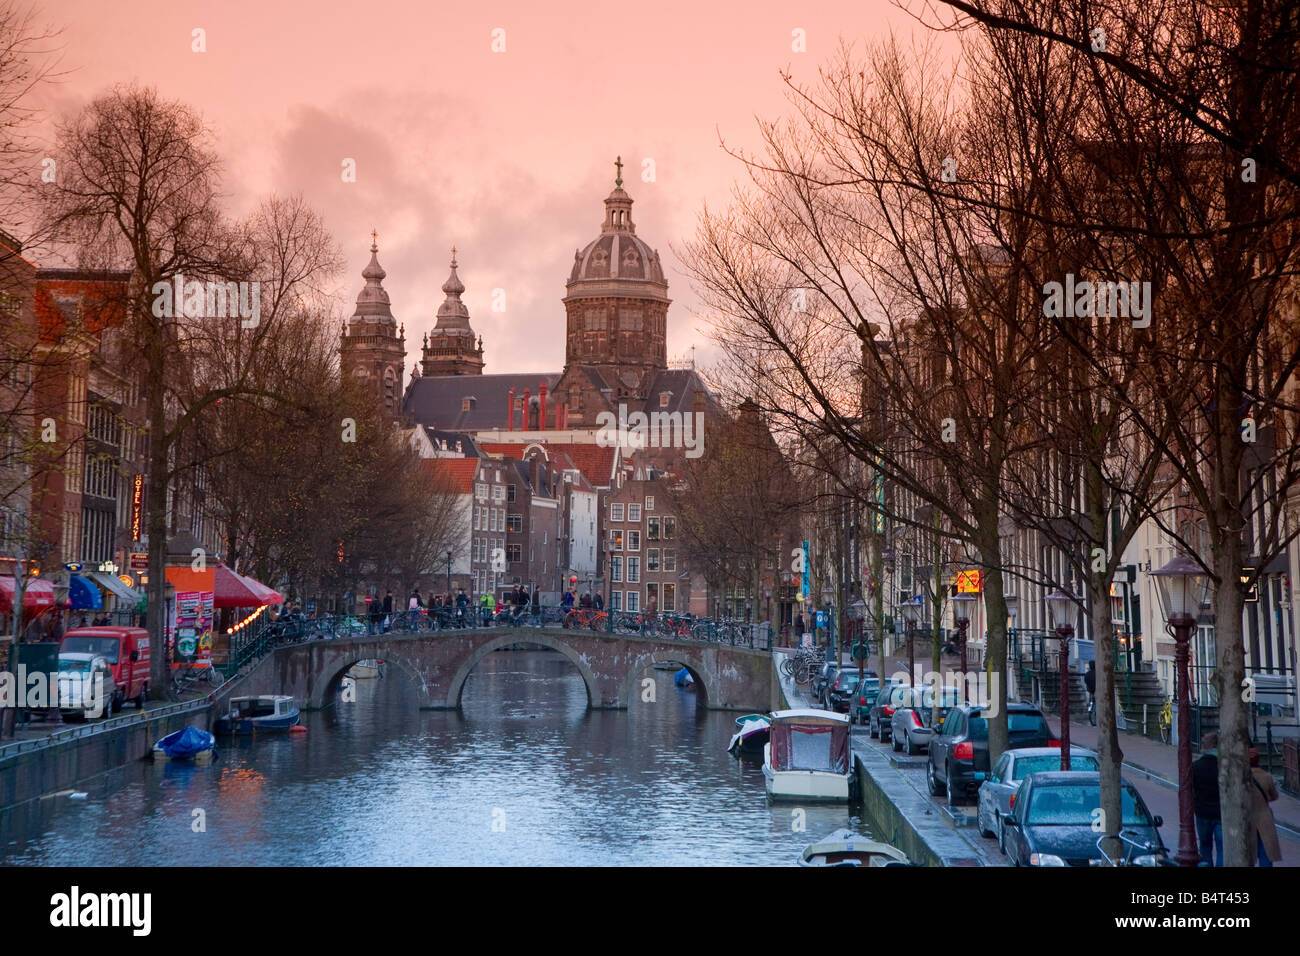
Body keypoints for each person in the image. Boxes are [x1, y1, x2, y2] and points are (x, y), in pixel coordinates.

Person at [1192, 732, 1222, 866]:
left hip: (1202, 812)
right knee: (1222, 848)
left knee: (1205, 846)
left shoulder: (1196, 766)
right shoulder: (1224, 767)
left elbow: (1191, 790)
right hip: (1220, 813)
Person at [1249, 747, 1281, 867]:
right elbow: (1274, 796)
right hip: (1264, 816)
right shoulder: (1266, 776)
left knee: (1248, 852)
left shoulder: (1241, 777)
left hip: (1248, 817)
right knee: (1266, 851)